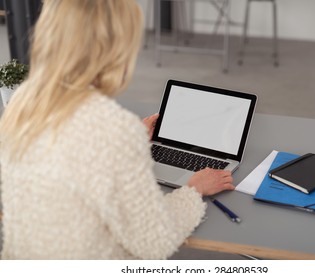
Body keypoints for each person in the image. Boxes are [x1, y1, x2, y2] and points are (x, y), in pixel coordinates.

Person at [0, 0, 234, 259]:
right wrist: (194, 189)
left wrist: (130, 147)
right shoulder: (113, 129)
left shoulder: (20, 104)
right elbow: (154, 240)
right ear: (115, 48)